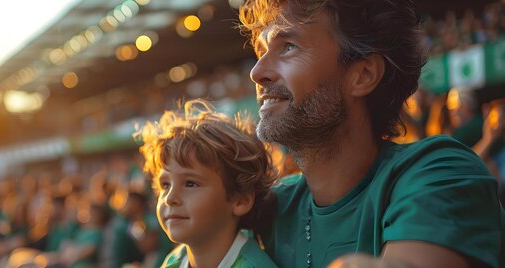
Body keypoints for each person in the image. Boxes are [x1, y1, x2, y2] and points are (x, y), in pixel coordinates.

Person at [238, 0, 505, 267]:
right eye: (261, 51)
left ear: (363, 75)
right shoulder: (271, 205)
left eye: (288, 47)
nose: (256, 72)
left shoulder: (442, 174)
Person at [136, 99, 277, 267]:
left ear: (241, 199)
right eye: (165, 185)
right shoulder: (174, 261)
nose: (169, 198)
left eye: (190, 183)